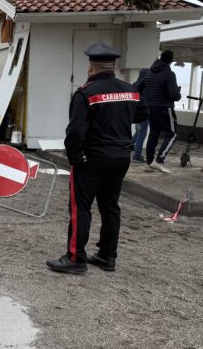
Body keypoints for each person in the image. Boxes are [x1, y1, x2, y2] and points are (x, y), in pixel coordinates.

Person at [47, 44, 148, 275]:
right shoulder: (130, 90)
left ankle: (75, 258)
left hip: (92, 159)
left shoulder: (86, 93)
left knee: (80, 207)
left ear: (90, 66)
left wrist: (74, 157)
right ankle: (107, 257)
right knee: (110, 207)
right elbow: (143, 113)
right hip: (121, 157)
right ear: (113, 66)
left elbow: (75, 132)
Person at [137, 50, 181, 173]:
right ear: (171, 60)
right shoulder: (169, 74)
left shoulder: (150, 72)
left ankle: (149, 162)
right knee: (172, 134)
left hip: (150, 107)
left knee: (154, 133)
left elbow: (137, 87)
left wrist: (146, 100)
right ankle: (159, 160)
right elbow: (173, 95)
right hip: (164, 108)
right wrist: (178, 94)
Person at [131, 68, 149, 162]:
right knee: (142, 133)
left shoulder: (134, 84)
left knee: (138, 131)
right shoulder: (144, 86)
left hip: (134, 112)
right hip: (142, 112)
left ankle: (126, 148)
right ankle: (137, 155)